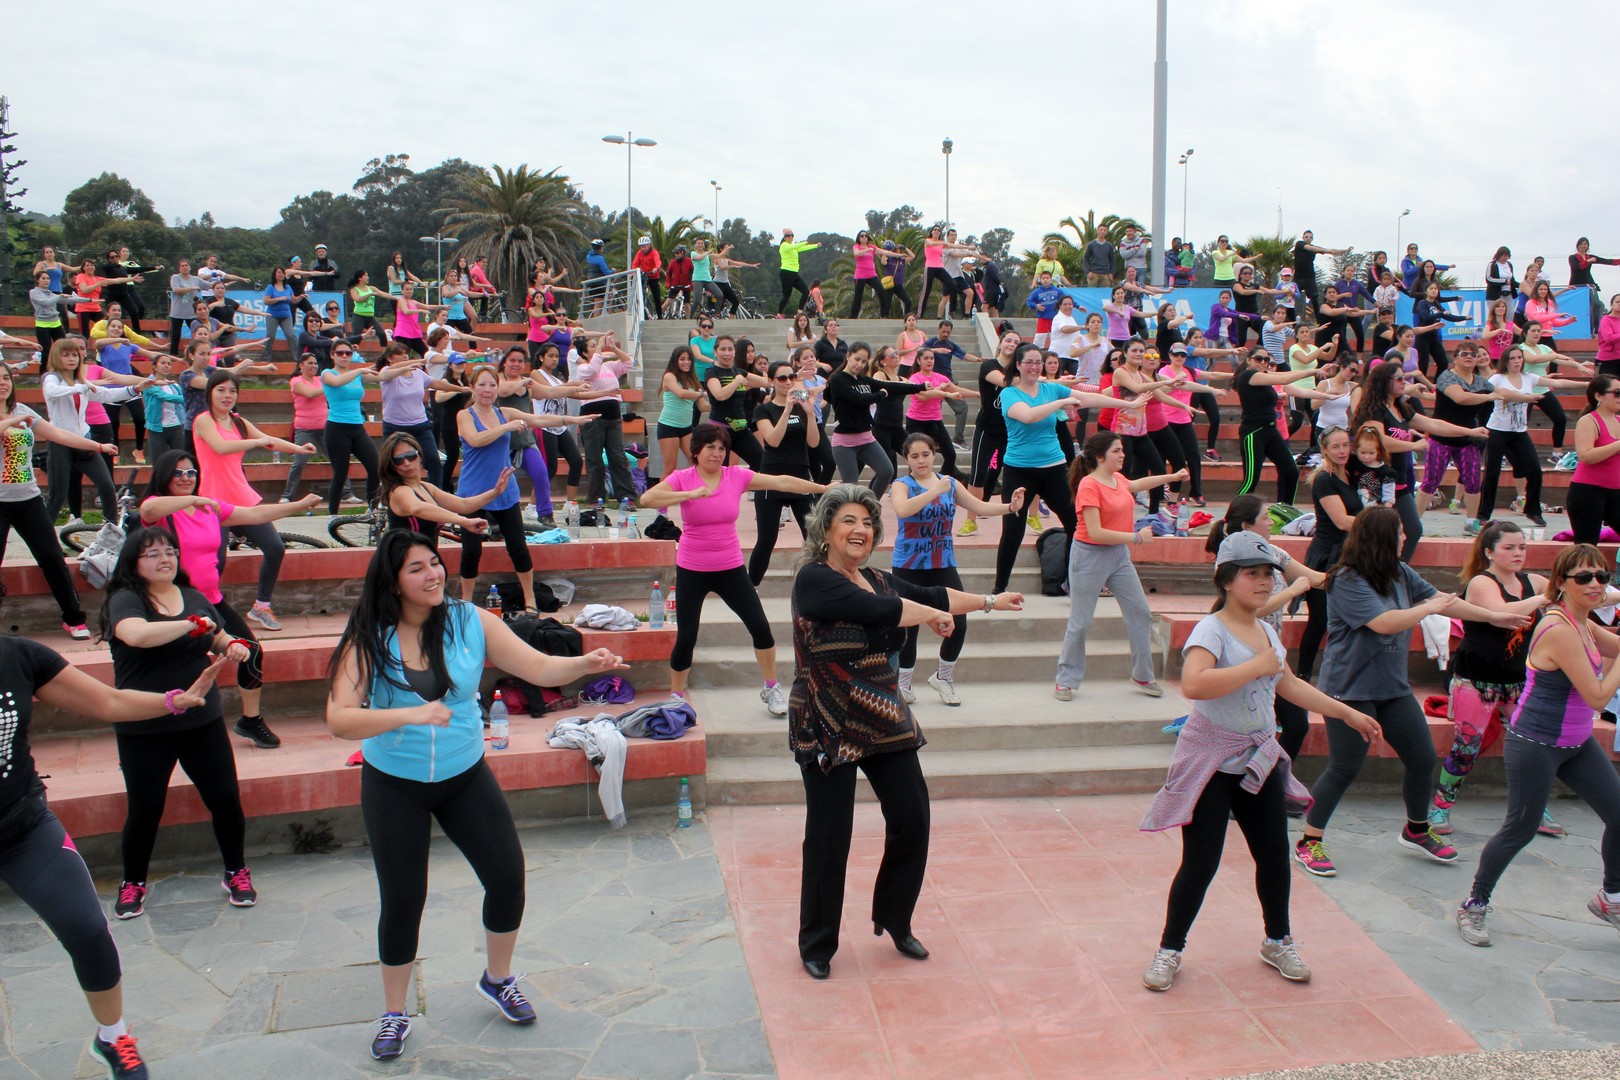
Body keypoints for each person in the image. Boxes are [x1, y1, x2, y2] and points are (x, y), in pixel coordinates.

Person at [325, 530, 624, 1060]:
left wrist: (584, 664)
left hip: (464, 774)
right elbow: (340, 720)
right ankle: (394, 1012)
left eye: (434, 563)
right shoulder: (369, 637)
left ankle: (497, 978)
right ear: (392, 583)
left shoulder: (471, 621)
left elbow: (536, 666)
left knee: (507, 877)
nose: (433, 574)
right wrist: (410, 714)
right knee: (403, 899)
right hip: (394, 783)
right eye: (416, 568)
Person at [791, 483, 1024, 979]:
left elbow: (932, 595)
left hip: (880, 708)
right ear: (826, 529)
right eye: (849, 520)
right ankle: (817, 942)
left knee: (912, 817)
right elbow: (884, 611)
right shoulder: (813, 580)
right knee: (830, 834)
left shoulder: (878, 577)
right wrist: (934, 615)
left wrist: (989, 601)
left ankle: (895, 919)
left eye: (867, 522)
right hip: (827, 714)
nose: (860, 530)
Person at [1139, 530, 1377, 993]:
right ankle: (1169, 949)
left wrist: (1345, 712)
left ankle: (1277, 940)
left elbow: (1288, 684)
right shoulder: (1212, 630)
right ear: (1226, 580)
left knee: (1273, 857)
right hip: (1211, 760)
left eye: (1268, 573)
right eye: (1252, 574)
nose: (1265, 582)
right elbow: (1194, 684)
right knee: (1201, 862)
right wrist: (1256, 666)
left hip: (1258, 758)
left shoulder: (1266, 631)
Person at [0, 584, 221, 1078]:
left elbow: (109, 701)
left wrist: (176, 700)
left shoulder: (17, 657)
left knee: (87, 931)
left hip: (21, 828)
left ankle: (113, 1035)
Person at [1295, 508, 1530, 877]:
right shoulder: (1346, 579)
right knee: (1344, 767)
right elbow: (1383, 623)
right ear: (1382, 538)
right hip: (1349, 690)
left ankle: (1416, 829)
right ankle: (1309, 841)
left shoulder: (1400, 572)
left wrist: (1493, 616)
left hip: (1392, 688)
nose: (1406, 537)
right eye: (1400, 532)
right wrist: (1427, 609)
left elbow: (1444, 600)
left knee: (1422, 758)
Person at [1456, 544, 1620, 948]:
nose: (1595, 584)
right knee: (1520, 828)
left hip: (1577, 744)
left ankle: (1611, 897)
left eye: (1602, 577)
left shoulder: (1583, 622)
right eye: (1584, 577)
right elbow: (1598, 697)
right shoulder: (1560, 628)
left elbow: (1614, 647)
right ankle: (1474, 903)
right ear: (1561, 583)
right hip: (1535, 744)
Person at [101, 524, 261, 924]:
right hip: (143, 723)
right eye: (153, 553)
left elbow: (217, 635)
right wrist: (190, 624)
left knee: (225, 799)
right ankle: (133, 882)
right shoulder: (126, 599)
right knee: (145, 808)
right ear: (134, 562)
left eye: (170, 551)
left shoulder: (192, 596)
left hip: (201, 719)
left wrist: (233, 646)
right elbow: (137, 635)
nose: (165, 558)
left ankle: (236, 871)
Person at [638, 424, 821, 714]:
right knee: (687, 637)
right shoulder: (683, 478)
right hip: (692, 568)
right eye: (710, 447)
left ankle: (771, 687)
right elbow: (646, 499)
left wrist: (822, 488)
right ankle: (676, 696)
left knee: (760, 628)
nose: (717, 453)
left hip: (730, 567)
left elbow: (782, 482)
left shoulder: (736, 476)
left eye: (722, 448)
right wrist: (687, 495)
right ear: (696, 452)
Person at [1429, 522, 1562, 837]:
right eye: (1509, 547)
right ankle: (1440, 807)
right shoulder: (1481, 582)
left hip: (1519, 682)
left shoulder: (1533, 582)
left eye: (1522, 547)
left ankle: (1534, 809)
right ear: (1489, 552)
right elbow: (1503, 614)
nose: (1518, 553)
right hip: (1476, 681)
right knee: (1466, 748)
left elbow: (1572, 594)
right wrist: (1544, 599)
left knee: (1534, 747)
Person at [993, 344, 1143, 595]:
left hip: (1054, 469)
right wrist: (1061, 402)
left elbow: (1087, 399)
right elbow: (1028, 416)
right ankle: (999, 589)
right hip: (1019, 471)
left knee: (1075, 524)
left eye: (1038, 362)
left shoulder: (1051, 389)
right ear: (1018, 365)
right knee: (1013, 531)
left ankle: (1071, 582)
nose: (1034, 367)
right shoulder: (1009, 393)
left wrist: (1127, 403)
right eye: (1029, 362)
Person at [890, 434, 1025, 705]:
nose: (921, 461)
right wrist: (933, 492)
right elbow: (902, 510)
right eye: (914, 456)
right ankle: (903, 683)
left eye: (925, 454)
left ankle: (943, 677)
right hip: (908, 564)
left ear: (934, 454)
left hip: (943, 562)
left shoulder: (949, 483)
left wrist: (1010, 507)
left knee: (959, 623)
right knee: (909, 626)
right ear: (907, 459)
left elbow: (979, 505)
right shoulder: (901, 485)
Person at [1054, 431, 1186, 701]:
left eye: (1122, 450)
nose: (1123, 455)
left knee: (1140, 612)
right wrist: (1135, 537)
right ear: (1100, 456)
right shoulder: (1089, 485)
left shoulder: (1118, 480)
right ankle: (1065, 680)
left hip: (1118, 557)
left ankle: (1142, 674)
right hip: (1089, 556)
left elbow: (1137, 484)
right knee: (1081, 621)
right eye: (1116, 451)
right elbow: (1096, 532)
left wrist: (1171, 477)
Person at [192, 370, 312, 631]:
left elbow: (269, 442)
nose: (227, 395)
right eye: (221, 390)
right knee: (216, 563)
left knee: (275, 548)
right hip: (214, 502)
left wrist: (298, 449)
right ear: (210, 393)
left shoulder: (238, 422)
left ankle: (261, 606)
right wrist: (256, 442)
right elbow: (220, 447)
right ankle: (204, 613)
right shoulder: (203, 421)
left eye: (232, 391)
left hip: (243, 499)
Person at [0, 363, 109, 639]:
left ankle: (74, 619)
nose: (2, 383)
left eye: (5, 378)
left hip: (28, 500)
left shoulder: (22, 410)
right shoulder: (16, 418)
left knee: (52, 558)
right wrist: (10, 423)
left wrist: (96, 446)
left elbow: (58, 433)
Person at [456, 366, 573, 611]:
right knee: (471, 550)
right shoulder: (465, 415)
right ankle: (466, 602)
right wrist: (506, 427)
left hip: (505, 490)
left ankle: (530, 598)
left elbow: (538, 420)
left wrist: (571, 420)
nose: (487, 390)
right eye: (482, 385)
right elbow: (475, 440)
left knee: (518, 547)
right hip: (473, 492)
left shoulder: (505, 412)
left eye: (492, 385)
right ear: (472, 388)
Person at [1474, 346, 1586, 535]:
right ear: (1506, 361)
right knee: (1492, 473)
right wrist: (1527, 398)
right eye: (1513, 358)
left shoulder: (1529, 378)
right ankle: (1483, 514)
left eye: (1519, 357)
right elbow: (1503, 393)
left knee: (1534, 469)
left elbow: (1557, 383)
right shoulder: (1497, 378)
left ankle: (1533, 510)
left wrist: (1588, 385)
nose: (1517, 361)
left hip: (1519, 432)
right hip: (1498, 430)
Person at [746, 359, 829, 584]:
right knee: (767, 539)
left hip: (800, 476)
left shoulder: (802, 407)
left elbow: (813, 443)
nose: (788, 382)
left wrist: (810, 413)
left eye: (792, 377)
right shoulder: (763, 409)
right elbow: (772, 440)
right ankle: (751, 587)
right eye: (782, 378)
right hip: (771, 479)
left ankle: (818, 584)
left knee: (813, 537)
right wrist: (787, 410)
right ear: (772, 381)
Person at [40, 338, 133, 524]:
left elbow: (106, 394)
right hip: (60, 442)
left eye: (75, 355)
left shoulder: (80, 381)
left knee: (106, 485)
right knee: (58, 494)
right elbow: (51, 392)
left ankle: (111, 527)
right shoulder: (52, 378)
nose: (72, 359)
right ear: (57, 357)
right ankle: (44, 533)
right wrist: (82, 386)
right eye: (66, 355)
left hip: (83, 440)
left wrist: (134, 389)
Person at [1296, 426, 1363, 683]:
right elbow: (1342, 521)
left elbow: (1382, 483)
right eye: (1336, 446)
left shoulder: (1354, 473)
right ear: (1324, 450)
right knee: (1320, 619)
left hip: (1350, 556)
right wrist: (1380, 521)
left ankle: (1343, 676)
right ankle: (1302, 676)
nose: (1342, 451)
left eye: (1345, 445)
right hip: (1325, 558)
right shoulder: (1324, 479)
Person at [1231, 347, 1329, 506]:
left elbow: (1285, 377)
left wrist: (1328, 395)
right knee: (1251, 480)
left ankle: (1285, 510)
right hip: (1253, 432)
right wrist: (1312, 371)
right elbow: (1285, 379)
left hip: (1270, 431)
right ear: (1248, 360)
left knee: (1291, 471)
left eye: (1266, 360)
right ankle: (1232, 516)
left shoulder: (1264, 377)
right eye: (1258, 359)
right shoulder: (1248, 376)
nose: (1263, 363)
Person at [379, 431, 510, 542]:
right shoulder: (399, 491)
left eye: (411, 456)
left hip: (426, 558)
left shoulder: (426, 488)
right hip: (404, 559)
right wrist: (463, 521)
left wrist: (495, 492)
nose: (407, 463)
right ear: (392, 466)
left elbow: (464, 505)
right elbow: (417, 508)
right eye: (399, 460)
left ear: (419, 456)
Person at [574, 333, 638, 506]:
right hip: (592, 418)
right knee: (594, 459)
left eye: (597, 345)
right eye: (593, 346)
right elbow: (593, 370)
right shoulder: (583, 368)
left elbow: (628, 363)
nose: (597, 348)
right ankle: (596, 497)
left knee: (618, 457)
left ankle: (626, 496)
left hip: (613, 417)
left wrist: (614, 348)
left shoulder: (609, 367)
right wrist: (601, 347)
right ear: (585, 353)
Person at [321, 340, 383, 513]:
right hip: (337, 428)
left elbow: (384, 375)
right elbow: (336, 382)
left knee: (375, 466)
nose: (344, 356)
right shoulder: (327, 373)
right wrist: (359, 370)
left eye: (348, 353)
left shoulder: (356, 375)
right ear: (332, 355)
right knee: (341, 473)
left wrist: (408, 366)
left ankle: (372, 509)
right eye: (340, 353)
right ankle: (333, 515)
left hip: (357, 428)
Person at [1568, 373, 1620, 545]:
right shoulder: (1588, 421)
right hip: (1588, 492)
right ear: (1599, 396)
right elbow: (1586, 455)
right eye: (1617, 393)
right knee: (1586, 546)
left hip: (1616, 492)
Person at [703, 336, 768, 468]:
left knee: (763, 464)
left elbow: (766, 382)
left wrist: (794, 376)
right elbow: (720, 395)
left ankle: (753, 483)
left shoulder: (738, 372)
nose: (727, 353)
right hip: (720, 430)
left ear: (735, 352)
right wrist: (736, 381)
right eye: (723, 349)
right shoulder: (711, 372)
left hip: (740, 429)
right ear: (715, 352)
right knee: (721, 470)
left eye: (730, 349)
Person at [657, 346, 704, 475]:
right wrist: (701, 394)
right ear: (675, 361)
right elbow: (680, 393)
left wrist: (721, 402)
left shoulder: (693, 380)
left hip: (687, 427)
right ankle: (662, 489)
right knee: (670, 468)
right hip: (668, 426)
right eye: (682, 359)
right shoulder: (669, 376)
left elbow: (703, 407)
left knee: (697, 463)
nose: (686, 362)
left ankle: (696, 487)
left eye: (689, 359)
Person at [1291, 229, 1349, 312]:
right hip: (1298, 277)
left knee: (1315, 299)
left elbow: (1331, 251)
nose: (1308, 238)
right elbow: (1311, 248)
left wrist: (1345, 250)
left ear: (1312, 239)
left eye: (1310, 237)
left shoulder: (1315, 248)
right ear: (1303, 237)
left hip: (1310, 277)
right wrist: (1326, 250)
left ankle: (1320, 318)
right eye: (1306, 237)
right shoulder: (1299, 244)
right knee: (1291, 298)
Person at [775, 228, 820, 316]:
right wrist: (805, 242)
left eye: (792, 235)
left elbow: (803, 248)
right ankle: (779, 313)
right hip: (786, 273)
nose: (790, 237)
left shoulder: (793, 247)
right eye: (788, 235)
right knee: (786, 296)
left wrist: (815, 245)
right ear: (784, 237)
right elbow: (795, 246)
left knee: (806, 292)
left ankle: (799, 312)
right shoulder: (784, 246)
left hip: (795, 273)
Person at [348, 270, 394, 345]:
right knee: (356, 337)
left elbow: (383, 294)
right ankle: (351, 351)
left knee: (382, 334)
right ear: (360, 278)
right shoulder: (354, 289)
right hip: (359, 316)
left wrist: (398, 298)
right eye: (366, 276)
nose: (368, 277)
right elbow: (358, 299)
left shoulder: (371, 288)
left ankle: (385, 351)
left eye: (368, 275)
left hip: (370, 317)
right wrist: (369, 294)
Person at [631, 236, 664, 315]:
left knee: (656, 296)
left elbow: (658, 261)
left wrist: (656, 268)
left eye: (644, 246)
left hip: (654, 276)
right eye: (641, 247)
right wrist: (633, 273)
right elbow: (635, 264)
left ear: (649, 245)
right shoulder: (639, 253)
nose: (643, 249)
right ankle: (639, 308)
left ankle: (659, 316)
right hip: (644, 275)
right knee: (639, 291)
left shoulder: (654, 252)